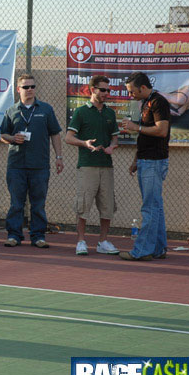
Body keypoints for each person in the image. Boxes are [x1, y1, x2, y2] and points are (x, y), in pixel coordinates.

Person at [0, 74, 64, 248]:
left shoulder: (46, 109)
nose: (30, 90)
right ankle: (14, 235)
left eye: (32, 86)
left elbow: (55, 134)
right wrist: (13, 139)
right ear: (18, 89)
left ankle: (38, 236)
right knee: (16, 203)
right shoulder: (11, 110)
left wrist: (59, 157)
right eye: (26, 87)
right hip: (16, 165)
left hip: (40, 165)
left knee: (38, 204)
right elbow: (3, 135)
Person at [65, 75, 120, 255]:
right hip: (87, 166)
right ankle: (81, 241)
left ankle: (103, 241)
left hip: (106, 166)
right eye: (102, 90)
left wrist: (112, 147)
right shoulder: (81, 112)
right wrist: (85, 143)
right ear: (92, 90)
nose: (106, 93)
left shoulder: (110, 113)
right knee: (83, 205)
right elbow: (68, 138)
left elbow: (115, 138)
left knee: (107, 205)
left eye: (108, 90)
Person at [119, 72, 171, 261]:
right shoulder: (146, 103)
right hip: (145, 160)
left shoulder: (158, 102)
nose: (130, 95)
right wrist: (135, 160)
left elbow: (162, 130)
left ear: (142, 87)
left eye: (132, 92)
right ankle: (158, 248)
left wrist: (136, 127)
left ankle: (141, 250)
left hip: (154, 162)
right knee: (155, 206)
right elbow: (145, 136)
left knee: (149, 207)